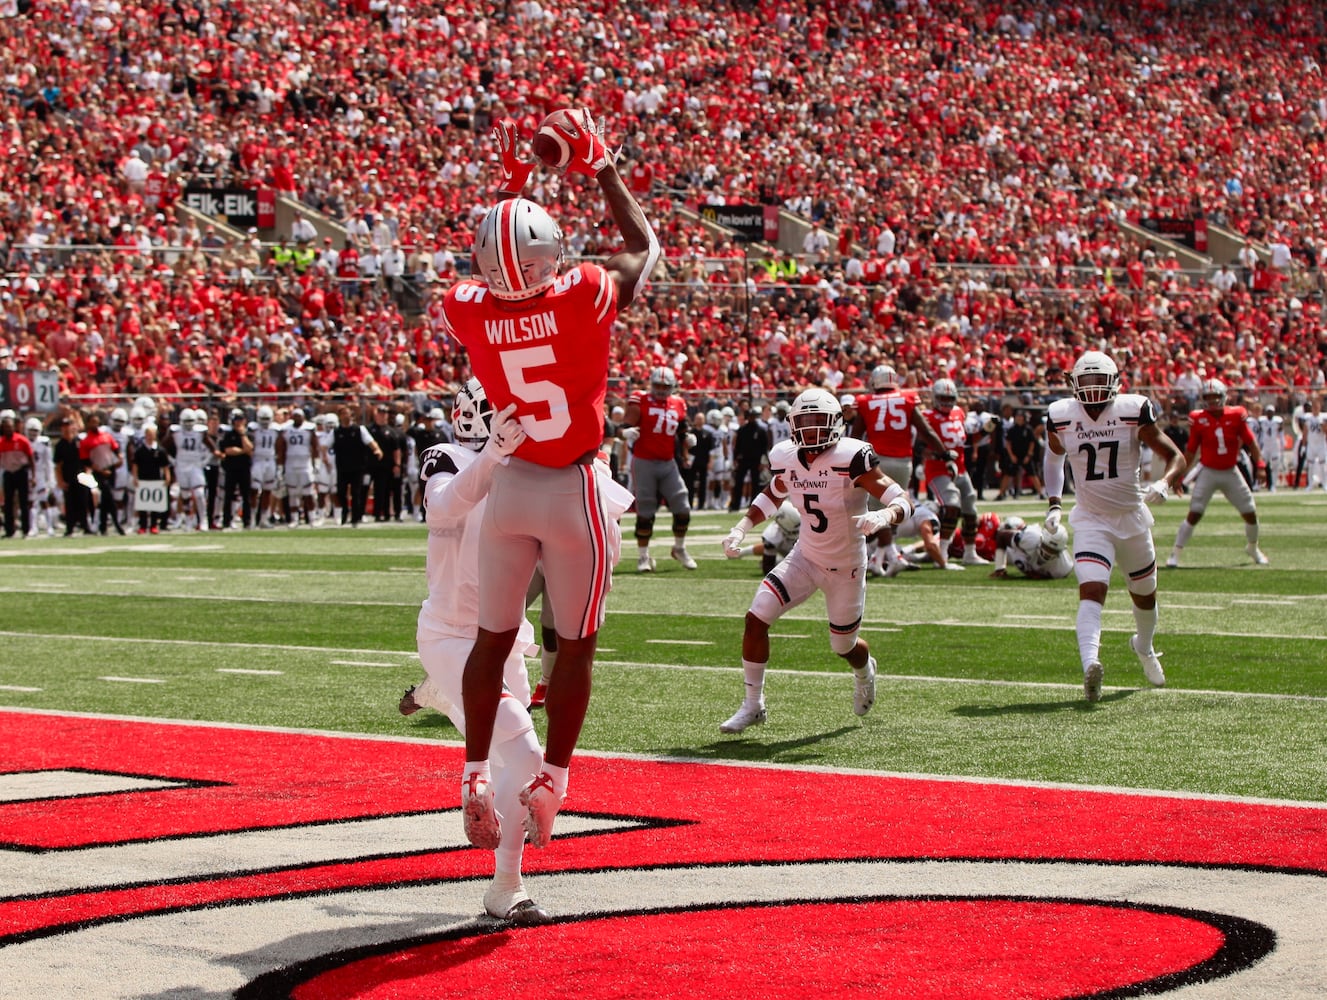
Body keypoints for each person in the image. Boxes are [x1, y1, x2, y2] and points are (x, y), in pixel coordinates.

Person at [441, 110, 659, 849]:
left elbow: (488, 263)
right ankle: (551, 781)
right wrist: (598, 164)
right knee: (575, 645)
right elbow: (645, 246)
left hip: (509, 492)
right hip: (571, 489)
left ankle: (472, 772)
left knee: (490, 640)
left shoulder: (464, 309)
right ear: (544, 259)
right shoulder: (581, 293)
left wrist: (513, 184)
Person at [396, 378, 552, 924]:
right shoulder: (448, 455)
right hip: (451, 632)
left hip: (503, 634)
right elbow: (443, 507)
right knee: (528, 756)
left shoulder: (523, 466)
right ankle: (506, 885)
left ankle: (444, 695)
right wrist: (491, 456)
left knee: (522, 759)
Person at [718, 388, 912, 733]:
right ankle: (753, 705)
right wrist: (742, 526)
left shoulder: (851, 456)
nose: (809, 431)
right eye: (803, 423)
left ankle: (865, 670)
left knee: (844, 645)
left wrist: (886, 516)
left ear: (836, 424)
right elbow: (774, 492)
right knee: (755, 618)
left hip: (846, 567)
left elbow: (900, 497)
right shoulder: (787, 456)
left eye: (817, 423)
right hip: (805, 557)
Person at [1043, 351, 1186, 702]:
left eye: (1098, 382)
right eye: (1086, 382)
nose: (1092, 390)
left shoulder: (1132, 410)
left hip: (1132, 518)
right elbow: (1053, 457)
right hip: (1091, 519)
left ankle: (1144, 646)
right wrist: (1055, 503)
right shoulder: (1060, 415)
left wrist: (1165, 483)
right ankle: (1090, 665)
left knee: (1145, 595)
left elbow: (1177, 457)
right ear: (1072, 382)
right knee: (1093, 589)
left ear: (1115, 382)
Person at [851, 364, 951, 576]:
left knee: (880, 511)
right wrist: (943, 452)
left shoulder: (866, 402)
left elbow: (855, 435)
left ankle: (887, 557)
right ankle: (886, 557)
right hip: (903, 462)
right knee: (894, 506)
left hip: (877, 460)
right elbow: (926, 430)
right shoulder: (907, 399)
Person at [1166, 378, 1268, 568]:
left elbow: (1251, 441)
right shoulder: (1198, 418)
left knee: (1250, 513)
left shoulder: (1237, 415)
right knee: (1194, 514)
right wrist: (1180, 475)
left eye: (1215, 397)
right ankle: (1175, 554)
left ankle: (1253, 547)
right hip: (1208, 471)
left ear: (1223, 397)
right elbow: (1190, 450)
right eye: (1208, 397)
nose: (1211, 401)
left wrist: (1260, 465)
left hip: (1230, 471)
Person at [621, 366, 697, 571]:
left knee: (683, 506)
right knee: (645, 509)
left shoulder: (678, 403)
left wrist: (687, 438)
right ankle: (643, 557)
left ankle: (679, 548)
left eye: (665, 386)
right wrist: (626, 432)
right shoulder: (640, 399)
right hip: (644, 461)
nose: (661, 390)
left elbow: (682, 428)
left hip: (667, 462)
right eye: (658, 385)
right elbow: (624, 425)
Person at [921, 378, 989, 566]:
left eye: (950, 398)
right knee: (951, 505)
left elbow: (966, 440)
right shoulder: (927, 416)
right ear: (935, 397)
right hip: (938, 470)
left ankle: (970, 552)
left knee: (970, 509)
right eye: (942, 397)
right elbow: (919, 447)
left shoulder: (959, 413)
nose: (946, 402)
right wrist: (939, 456)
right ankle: (942, 553)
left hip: (960, 469)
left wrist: (986, 431)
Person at [332, 405, 382, 525]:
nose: (345, 416)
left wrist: (377, 449)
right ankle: (344, 512)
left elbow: (370, 441)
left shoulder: (359, 429)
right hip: (342, 466)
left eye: (347, 413)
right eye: (343, 414)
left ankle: (355, 517)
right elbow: (325, 445)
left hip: (357, 466)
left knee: (356, 492)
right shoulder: (336, 432)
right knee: (341, 492)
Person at [79, 413, 124, 535]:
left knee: (105, 499)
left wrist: (119, 458)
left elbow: (115, 449)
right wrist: (99, 470)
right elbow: (85, 460)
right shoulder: (86, 441)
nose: (95, 424)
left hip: (111, 468)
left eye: (96, 422)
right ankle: (117, 523)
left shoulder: (106, 436)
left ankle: (103, 526)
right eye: (92, 422)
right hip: (99, 471)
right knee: (109, 496)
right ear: (88, 423)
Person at [988, 515, 1073, 580]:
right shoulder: (1029, 538)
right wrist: (1000, 568)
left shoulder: (1063, 569)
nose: (1048, 553)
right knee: (987, 548)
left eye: (1053, 551)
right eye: (1046, 547)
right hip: (1017, 549)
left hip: (1028, 556)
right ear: (1041, 540)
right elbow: (1001, 536)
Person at [279, 408, 321, 526]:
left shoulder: (309, 428)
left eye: (299, 416)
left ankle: (312, 518)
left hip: (305, 463)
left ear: (303, 417)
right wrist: (280, 466)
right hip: (291, 464)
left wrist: (316, 463)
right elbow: (282, 448)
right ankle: (294, 519)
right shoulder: (286, 429)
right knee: (292, 493)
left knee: (308, 492)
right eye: (295, 416)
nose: (297, 418)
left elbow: (315, 446)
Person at [729, 404, 771, 513]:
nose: (752, 418)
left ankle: (753, 505)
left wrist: (763, 461)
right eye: (750, 416)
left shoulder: (761, 430)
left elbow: (764, 447)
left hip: (756, 460)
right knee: (738, 482)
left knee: (755, 483)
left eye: (753, 416)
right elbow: (737, 446)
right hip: (743, 459)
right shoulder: (742, 430)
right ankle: (735, 505)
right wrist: (735, 458)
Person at [218, 409, 255, 530]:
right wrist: (244, 450)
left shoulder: (248, 434)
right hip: (231, 468)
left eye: (240, 420)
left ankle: (247, 521)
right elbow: (229, 450)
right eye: (236, 420)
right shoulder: (228, 434)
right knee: (228, 495)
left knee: (246, 496)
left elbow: (250, 449)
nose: (238, 422)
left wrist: (243, 435)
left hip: (245, 468)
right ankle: (227, 521)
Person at [0, 410, 34, 539]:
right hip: (8, 472)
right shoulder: (1, 442)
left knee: (23, 501)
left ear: (14, 427)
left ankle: (26, 529)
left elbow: (31, 459)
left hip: (21, 472)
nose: (7, 429)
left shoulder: (22, 440)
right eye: (5, 427)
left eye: (9, 426)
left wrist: (33, 476)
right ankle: (10, 530)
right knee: (8, 503)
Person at [53, 417, 89, 535]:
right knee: (69, 503)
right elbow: (58, 465)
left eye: (69, 425)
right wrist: (60, 481)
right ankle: (70, 527)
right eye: (65, 426)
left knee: (83, 502)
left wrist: (87, 475)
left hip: (81, 476)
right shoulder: (60, 445)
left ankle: (85, 526)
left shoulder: (79, 442)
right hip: (68, 477)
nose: (67, 428)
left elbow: (86, 461)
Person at [24, 417, 57, 536]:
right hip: (28, 474)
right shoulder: (24, 441)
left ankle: (49, 527)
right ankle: (33, 527)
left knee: (44, 500)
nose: (33, 433)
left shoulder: (44, 442)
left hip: (40, 474)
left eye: (35, 430)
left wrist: (51, 480)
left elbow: (48, 462)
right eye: (31, 430)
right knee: (31, 502)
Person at [250, 406, 280, 528]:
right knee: (254, 490)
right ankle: (251, 518)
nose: (265, 421)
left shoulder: (276, 429)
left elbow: (279, 445)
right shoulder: (253, 428)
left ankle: (264, 518)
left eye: (267, 418)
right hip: (257, 460)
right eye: (263, 418)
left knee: (267, 491)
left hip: (270, 460)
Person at [1296, 394, 1326, 490]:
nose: (1315, 408)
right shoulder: (1308, 418)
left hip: (1321, 444)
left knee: (1323, 465)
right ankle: (1310, 484)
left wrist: (1323, 426)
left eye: (1317, 406)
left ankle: (1325, 483)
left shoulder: (1323, 417)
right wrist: (1304, 446)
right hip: (1311, 445)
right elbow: (1305, 432)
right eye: (1314, 407)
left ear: (1320, 407)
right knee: (1310, 466)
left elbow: (1326, 432)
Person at [1255, 403, 1286, 492]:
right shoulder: (1261, 421)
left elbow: (1280, 432)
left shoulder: (1277, 421)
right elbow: (1259, 433)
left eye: (1271, 412)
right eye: (1268, 412)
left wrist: (1282, 442)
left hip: (1274, 445)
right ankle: (1258, 484)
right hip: (1265, 445)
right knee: (1261, 466)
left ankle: (1273, 485)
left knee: (1275, 466)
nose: (1270, 414)